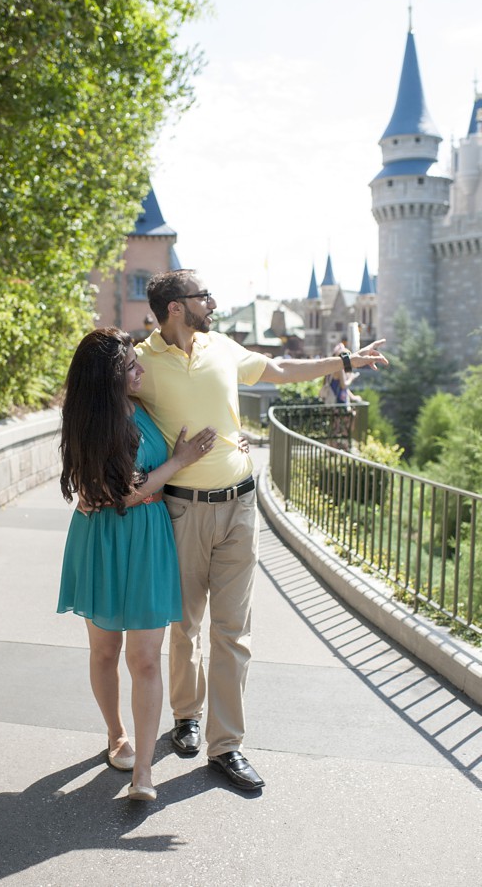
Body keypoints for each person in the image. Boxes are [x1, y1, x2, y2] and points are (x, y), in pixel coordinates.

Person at [136, 270, 387, 791]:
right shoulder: (141, 363)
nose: (212, 301)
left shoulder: (221, 346)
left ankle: (226, 745)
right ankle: (186, 715)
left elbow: (279, 367)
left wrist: (343, 361)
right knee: (184, 624)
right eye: (202, 296)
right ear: (176, 309)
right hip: (181, 511)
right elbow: (100, 401)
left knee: (233, 630)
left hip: (240, 505)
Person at [58, 328, 218, 801]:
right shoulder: (89, 422)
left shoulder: (143, 409)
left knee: (145, 657)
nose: (140, 371)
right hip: (105, 541)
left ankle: (143, 772)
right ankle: (116, 736)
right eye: (131, 366)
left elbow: (136, 488)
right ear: (108, 379)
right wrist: (183, 460)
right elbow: (121, 494)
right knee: (105, 652)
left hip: (148, 539)